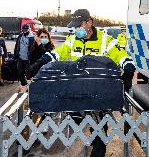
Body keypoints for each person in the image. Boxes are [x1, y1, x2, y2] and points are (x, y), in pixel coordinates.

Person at [28, 9, 136, 157]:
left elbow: (122, 56)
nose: (76, 29)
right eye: (75, 26)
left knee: (98, 128)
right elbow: (59, 53)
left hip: (97, 94)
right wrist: (41, 62)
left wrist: (128, 71)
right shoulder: (73, 40)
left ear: (89, 23)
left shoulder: (106, 40)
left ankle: (98, 150)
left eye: (79, 25)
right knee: (75, 122)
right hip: (76, 90)